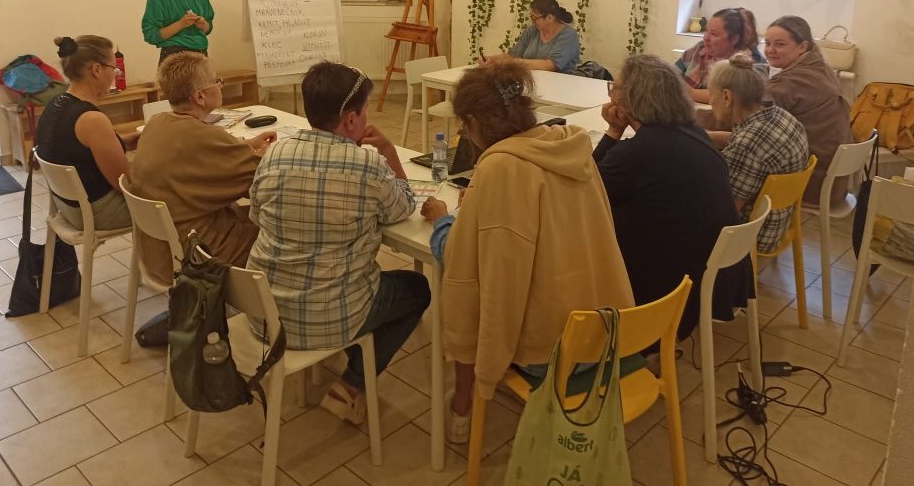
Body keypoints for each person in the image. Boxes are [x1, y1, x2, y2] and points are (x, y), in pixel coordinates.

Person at [420, 60, 633, 444]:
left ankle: (463, 408)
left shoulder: (500, 168)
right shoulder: (571, 146)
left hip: (551, 350)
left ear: (473, 122)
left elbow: (469, 264)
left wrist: (442, 221)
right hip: (602, 329)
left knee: (471, 300)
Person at [247, 62, 430, 426]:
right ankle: (353, 383)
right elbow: (404, 206)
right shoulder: (367, 164)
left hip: (264, 313)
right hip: (329, 318)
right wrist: (389, 152)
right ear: (350, 120)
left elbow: (256, 215)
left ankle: (349, 370)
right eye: (365, 111)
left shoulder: (274, 154)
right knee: (418, 289)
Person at [593, 54, 753, 341]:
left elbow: (588, 194)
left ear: (629, 100)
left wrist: (613, 132)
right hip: (714, 271)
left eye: (614, 89)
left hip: (672, 289)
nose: (611, 96)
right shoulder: (691, 131)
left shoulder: (639, 153)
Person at [130, 52, 276, 281]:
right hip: (194, 253)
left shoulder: (156, 123)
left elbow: (207, 157)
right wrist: (271, 153)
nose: (220, 85)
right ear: (200, 96)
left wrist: (247, 145)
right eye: (217, 81)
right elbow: (263, 177)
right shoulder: (204, 136)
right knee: (284, 235)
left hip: (157, 248)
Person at [708, 53, 809, 253]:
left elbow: (726, 210)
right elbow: (741, 140)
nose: (710, 101)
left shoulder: (747, 145)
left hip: (754, 236)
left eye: (711, 94)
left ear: (727, 97)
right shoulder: (780, 116)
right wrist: (705, 137)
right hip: (780, 222)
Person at [35, 36, 136, 230]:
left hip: (67, 207)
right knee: (180, 199)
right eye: (114, 68)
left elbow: (74, 150)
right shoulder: (92, 119)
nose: (115, 74)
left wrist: (122, 143)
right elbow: (125, 183)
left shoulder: (56, 104)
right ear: (97, 70)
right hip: (95, 213)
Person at [764, 16, 854, 206]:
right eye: (768, 43)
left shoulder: (792, 81)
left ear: (802, 46)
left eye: (779, 44)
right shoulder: (821, 67)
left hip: (811, 184)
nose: (770, 50)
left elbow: (751, 120)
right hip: (834, 184)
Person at [676, 7, 768, 103]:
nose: (705, 38)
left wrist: (691, 93)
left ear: (734, 39)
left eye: (714, 34)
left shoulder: (752, 62)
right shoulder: (699, 49)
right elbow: (673, 75)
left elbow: (731, 97)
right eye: (706, 31)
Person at [482, 0, 580, 73]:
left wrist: (512, 62)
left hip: (560, 84)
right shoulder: (532, 30)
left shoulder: (569, 35)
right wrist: (492, 60)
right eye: (531, 17)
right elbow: (512, 56)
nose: (532, 21)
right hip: (531, 80)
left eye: (535, 17)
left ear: (550, 18)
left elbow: (550, 66)